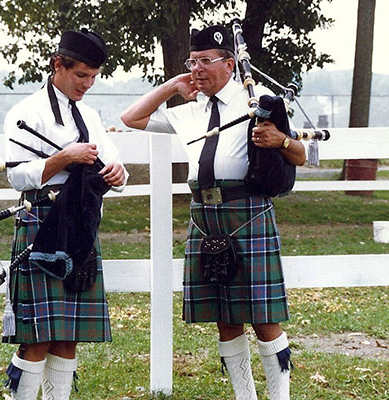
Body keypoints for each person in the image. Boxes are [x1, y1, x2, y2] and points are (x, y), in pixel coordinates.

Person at [121, 25, 306, 399]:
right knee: (224, 316)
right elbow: (131, 118)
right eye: (193, 61)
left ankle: (280, 396)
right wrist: (175, 85)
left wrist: (281, 140)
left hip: (247, 211)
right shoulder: (190, 111)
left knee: (264, 317)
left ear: (230, 63)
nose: (198, 68)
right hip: (205, 217)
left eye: (206, 61)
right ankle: (245, 396)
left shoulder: (260, 101)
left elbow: (303, 154)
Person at [3, 28, 128, 400]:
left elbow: (112, 164)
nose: (87, 83)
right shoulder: (25, 112)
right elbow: (15, 175)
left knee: (69, 335)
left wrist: (119, 172)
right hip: (41, 224)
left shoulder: (89, 114)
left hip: (81, 227)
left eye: (93, 76)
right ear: (58, 64)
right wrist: (62, 158)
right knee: (37, 337)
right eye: (80, 75)